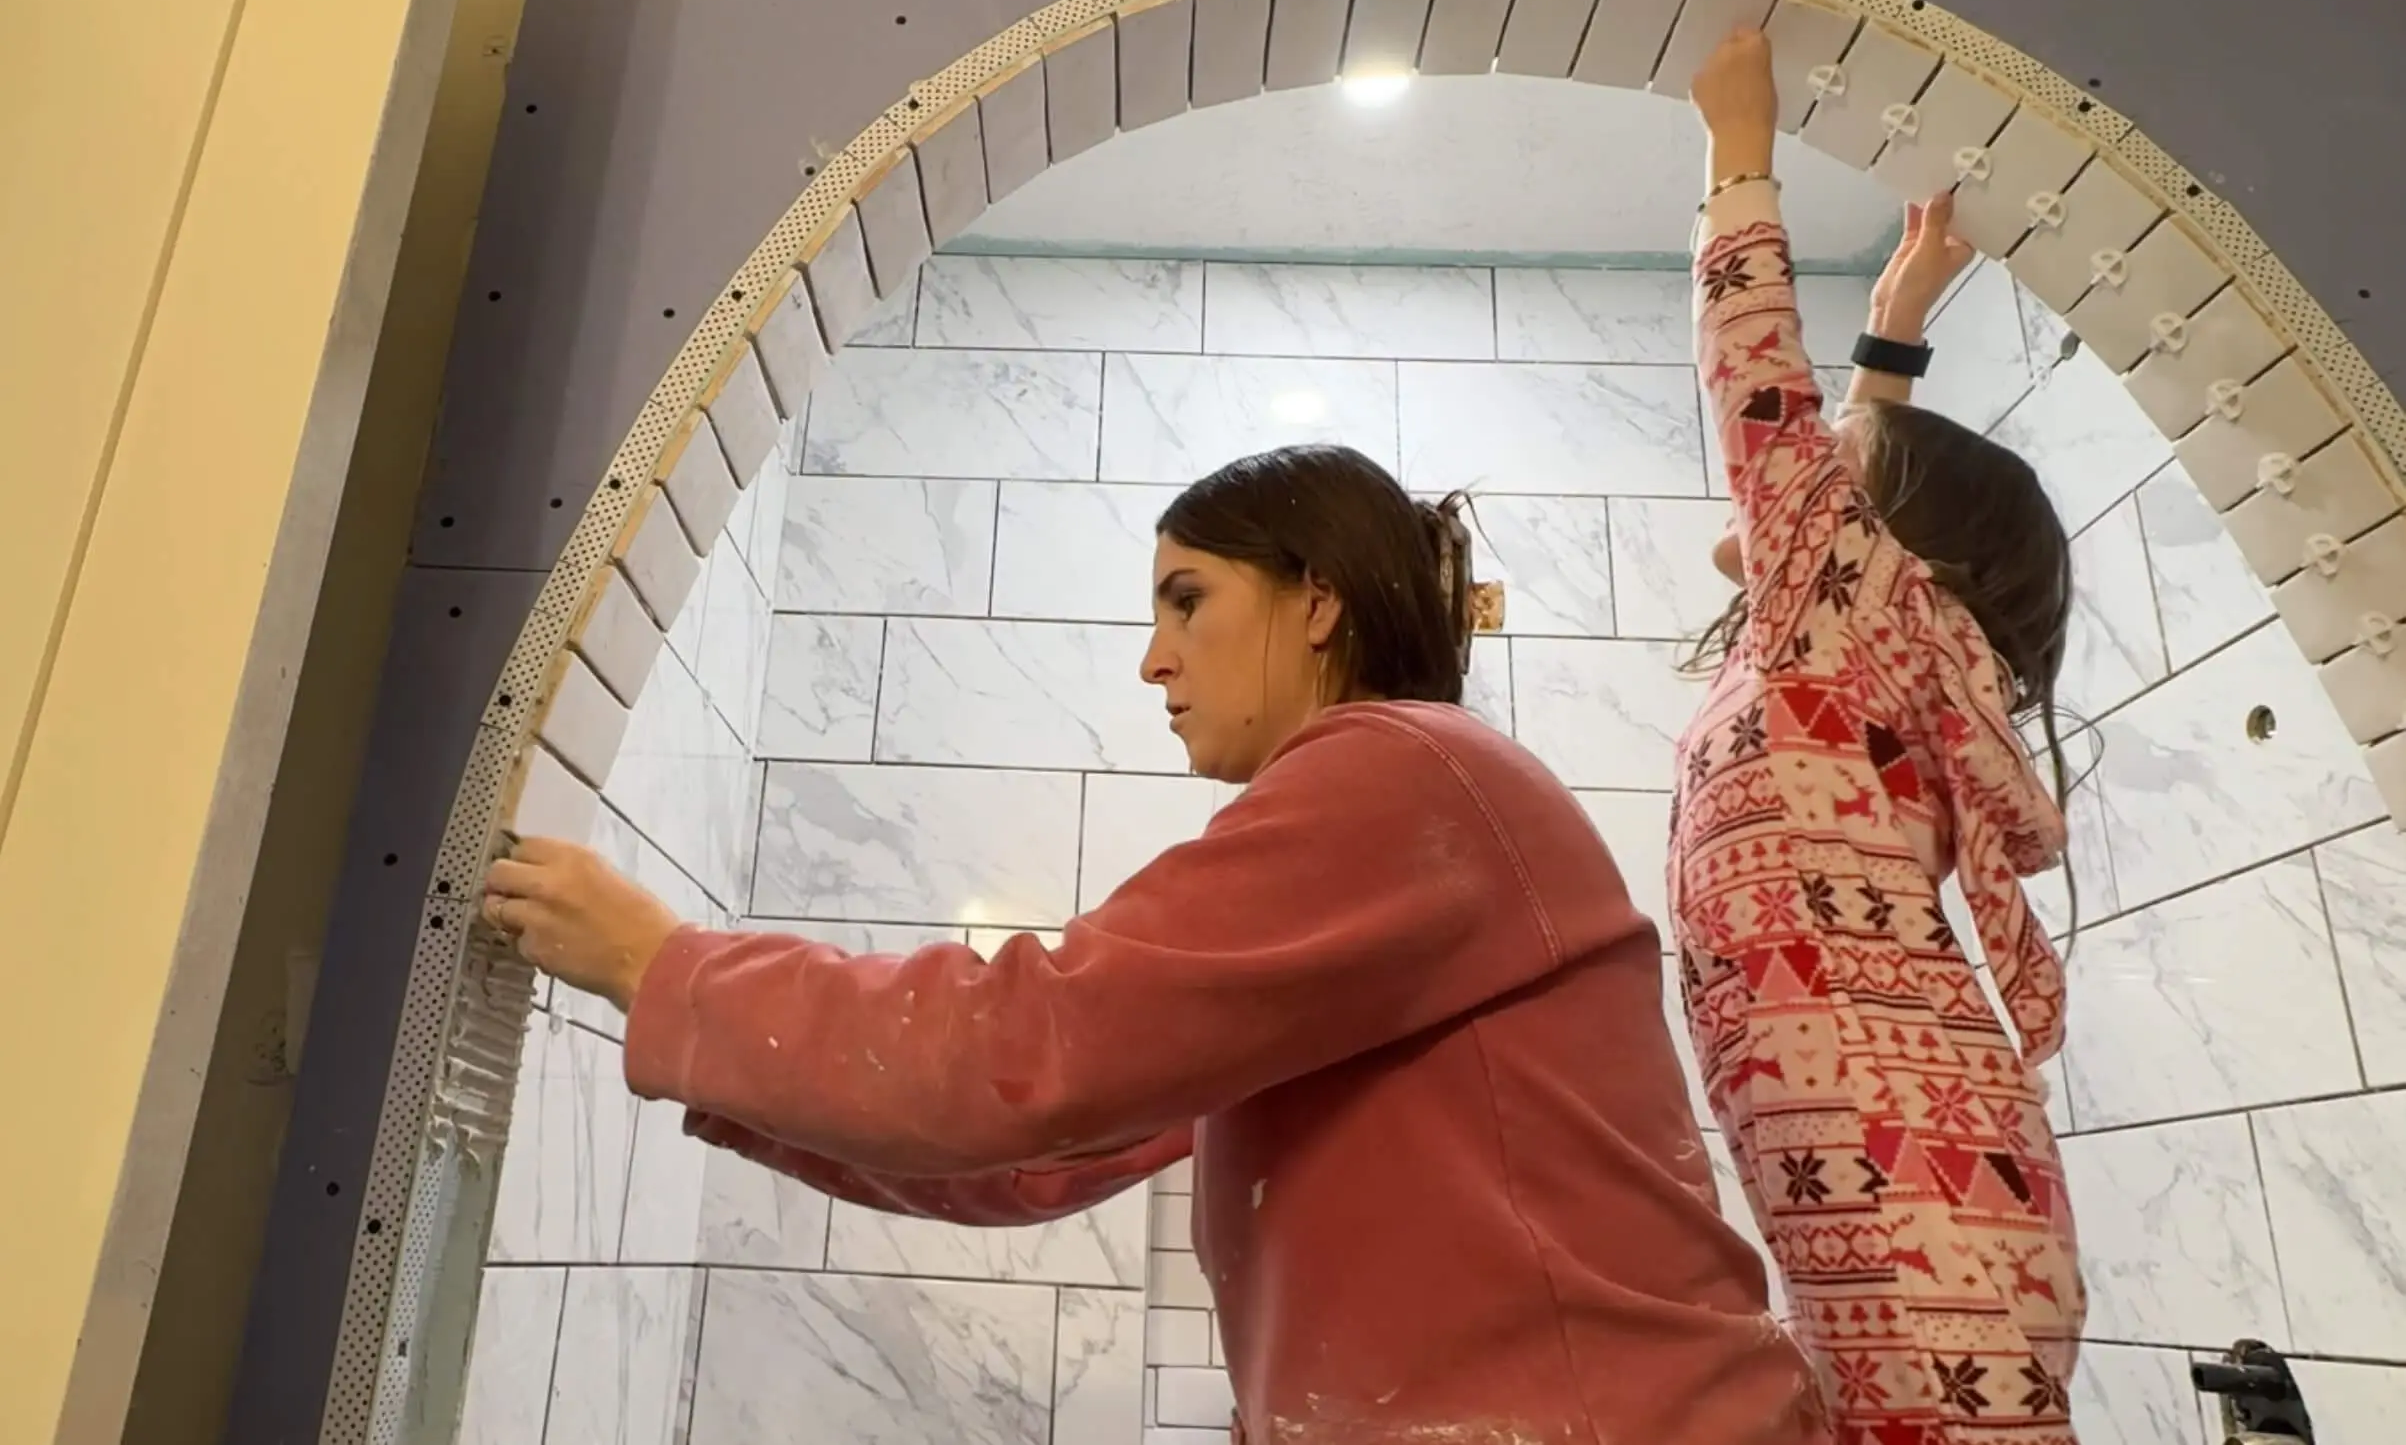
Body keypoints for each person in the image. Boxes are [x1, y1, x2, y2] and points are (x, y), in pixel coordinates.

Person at [486, 442, 1831, 1445]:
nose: (1151, 659)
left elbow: (1032, 1048)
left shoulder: (1404, 770)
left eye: (1185, 599)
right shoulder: (1400, 832)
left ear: (1318, 601)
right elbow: (1047, 1146)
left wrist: (668, 971)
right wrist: (706, 1042)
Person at [1673, 27, 2086, 1445]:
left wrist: (1737, 155)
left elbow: (1763, 401)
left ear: (1881, 549)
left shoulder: (1852, 624)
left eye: (1844, 490)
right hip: (1921, 1175)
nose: (1807, 493)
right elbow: (1854, 475)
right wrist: (1897, 324)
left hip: (1914, 1190)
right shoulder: (1867, 639)